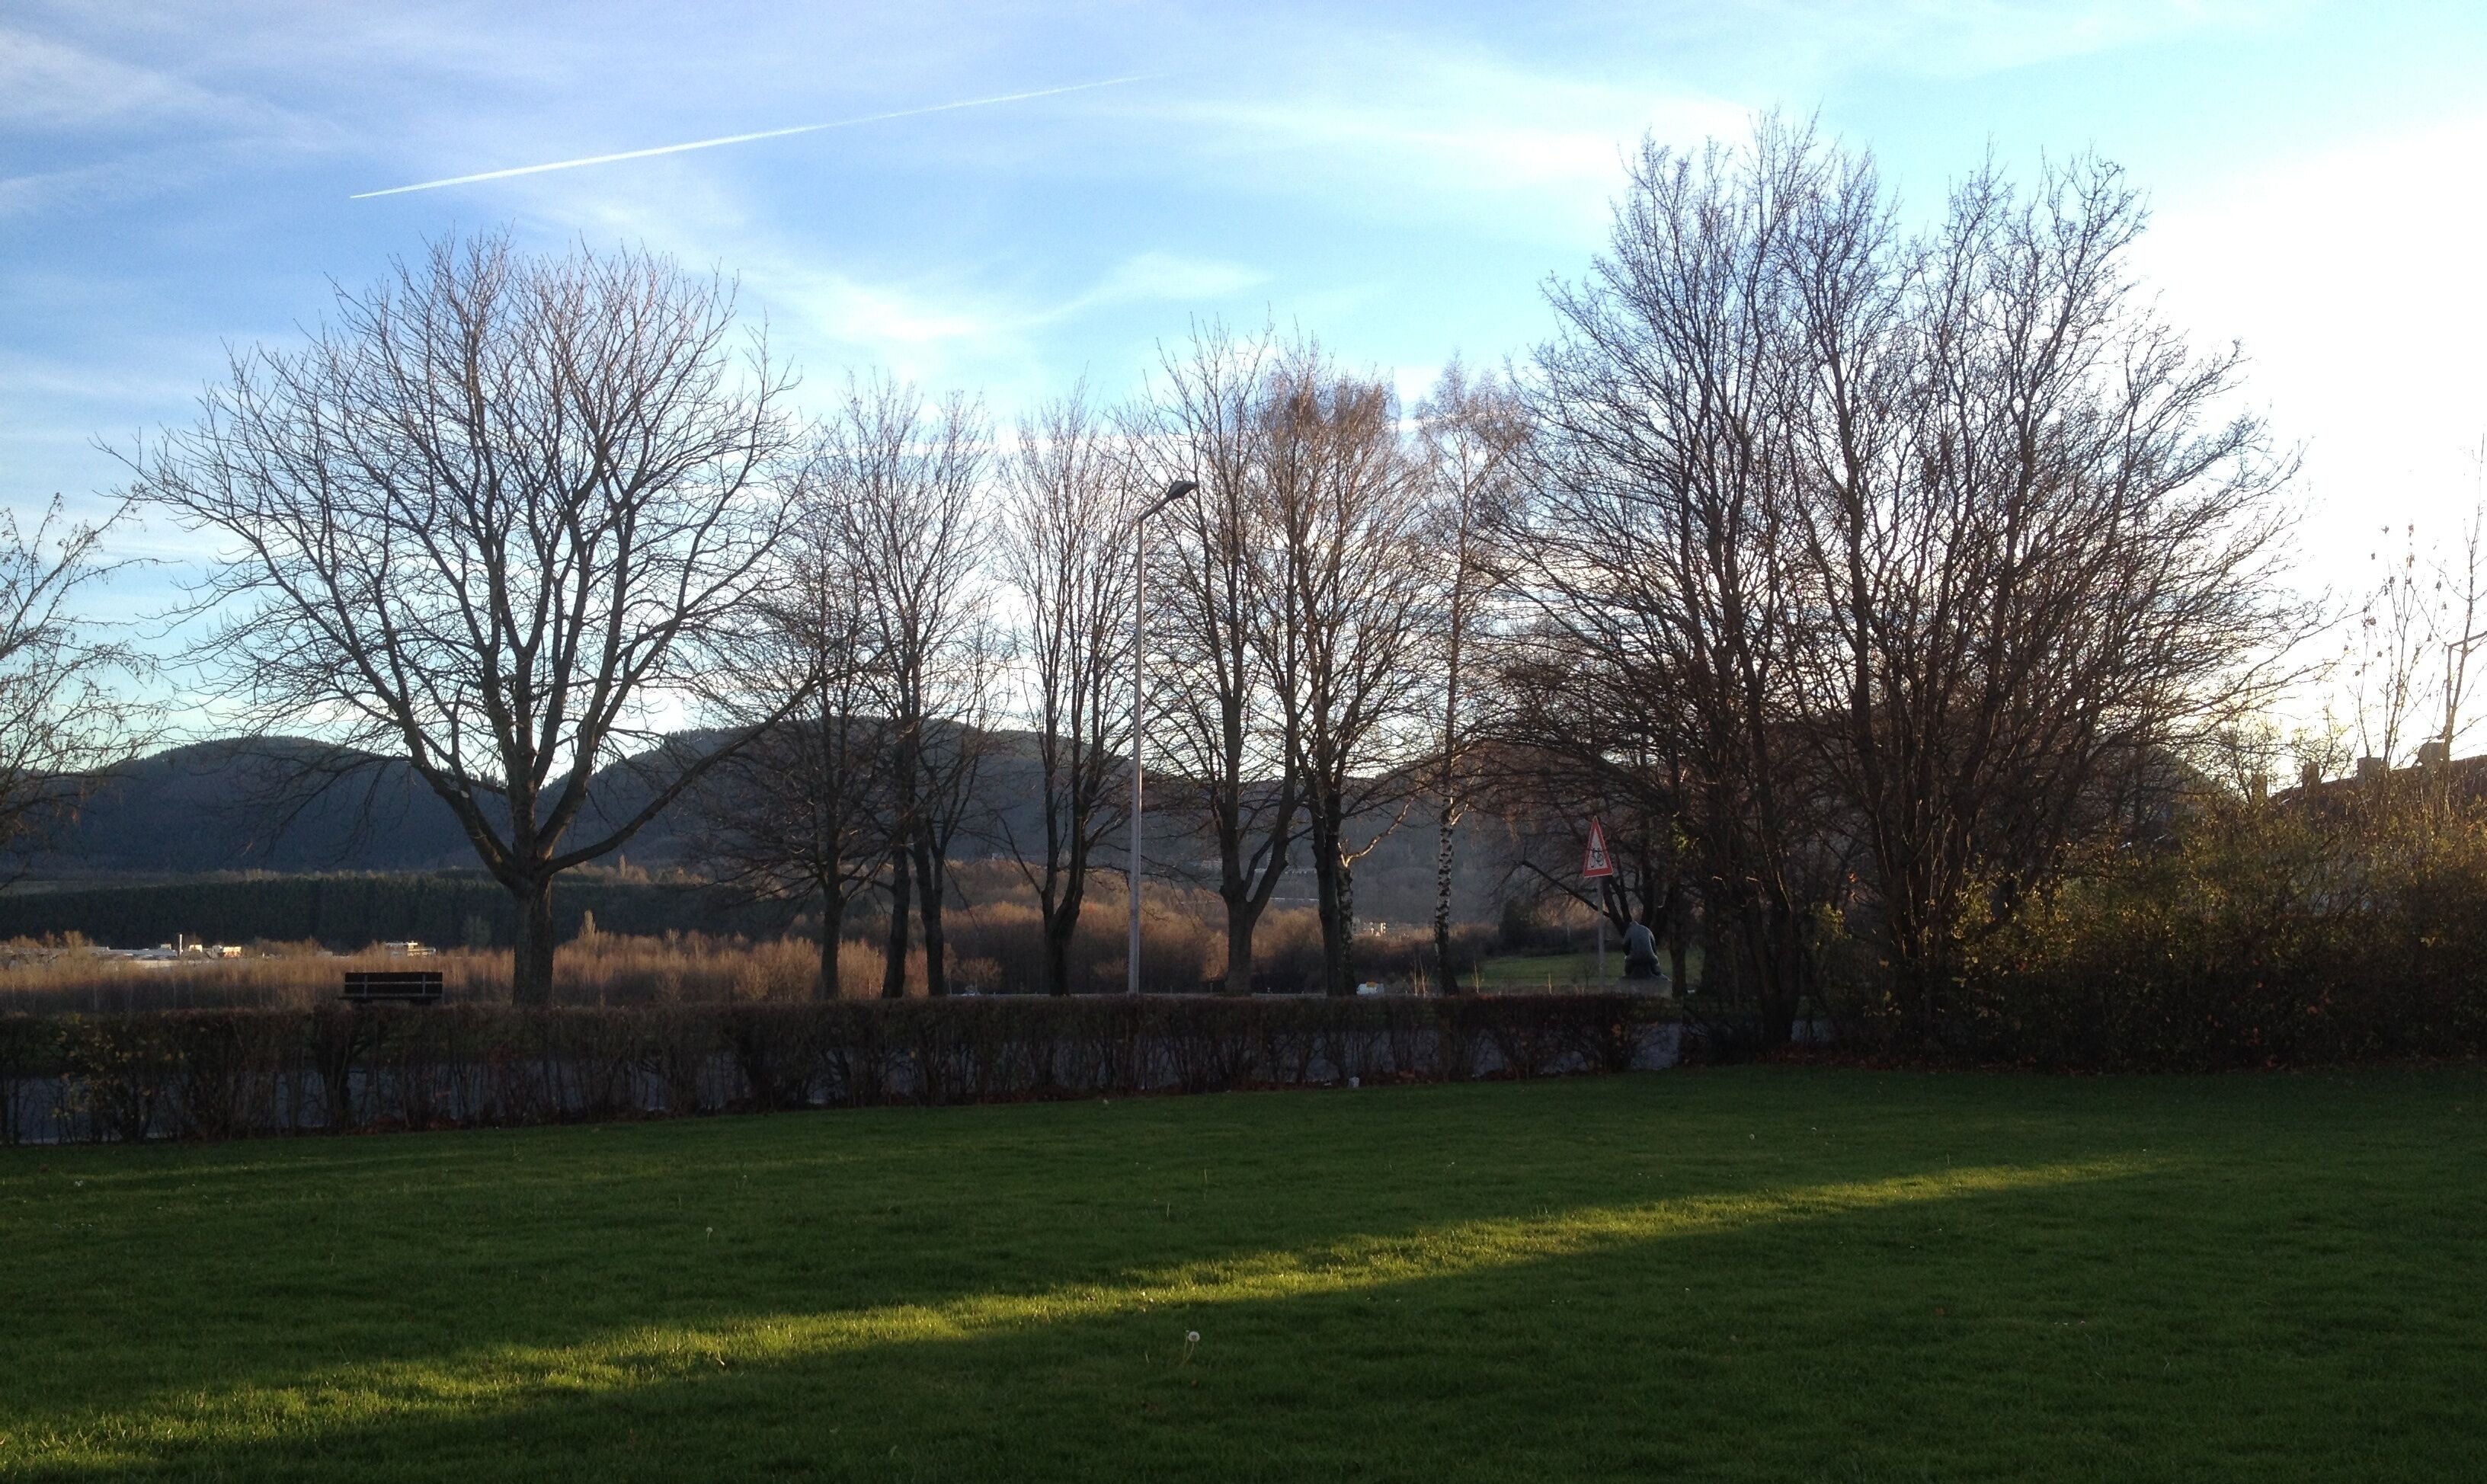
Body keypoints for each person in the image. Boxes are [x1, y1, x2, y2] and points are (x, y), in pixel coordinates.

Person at [1621, 917, 1667, 988]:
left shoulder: (1630, 931)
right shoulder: (1646, 930)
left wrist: (1628, 954)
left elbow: (1624, 945)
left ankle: (1629, 977)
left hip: (1634, 958)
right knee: (1656, 967)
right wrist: (1653, 954)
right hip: (1650, 957)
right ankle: (1659, 975)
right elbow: (1653, 943)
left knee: (1628, 967)